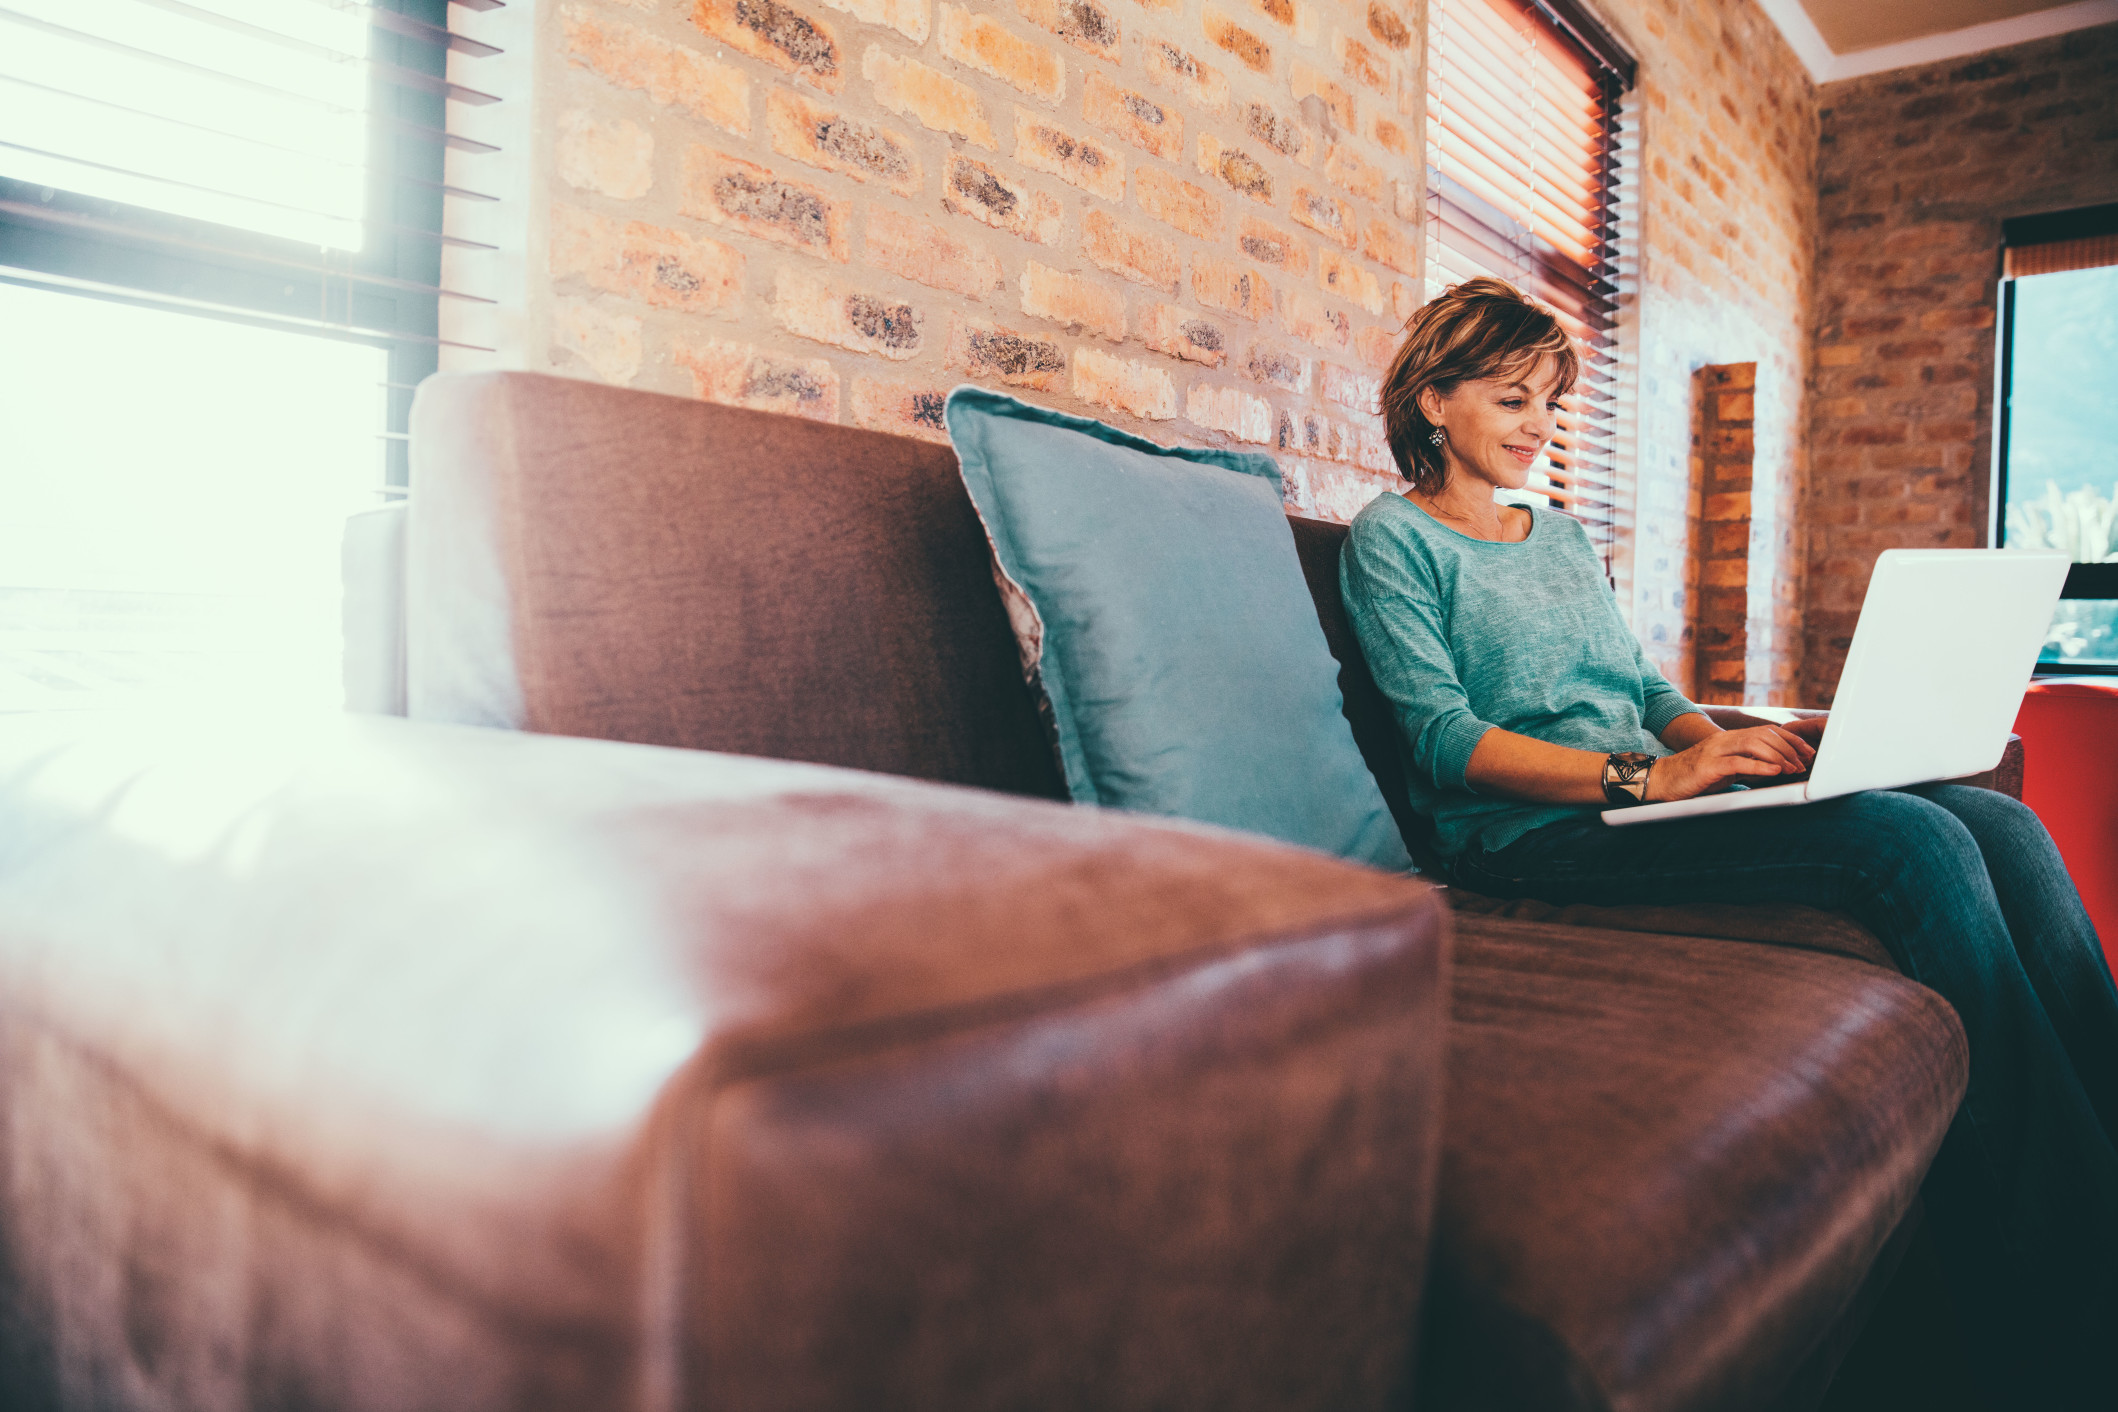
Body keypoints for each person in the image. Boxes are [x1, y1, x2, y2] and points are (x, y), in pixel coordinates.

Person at [1340, 275, 2117, 1408]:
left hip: (1649, 791)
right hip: (1530, 836)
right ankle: (2072, 1273)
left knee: (1995, 814)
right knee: (1914, 848)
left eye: (1549, 402)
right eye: (1511, 399)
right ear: (1432, 401)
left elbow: (1646, 686)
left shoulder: (1559, 537)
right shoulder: (1392, 542)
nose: (1537, 426)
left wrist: (1732, 751)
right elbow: (1446, 738)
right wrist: (1655, 776)